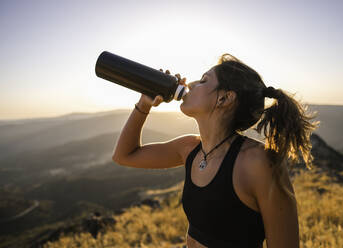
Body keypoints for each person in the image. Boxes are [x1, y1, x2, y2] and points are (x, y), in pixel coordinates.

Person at [112, 54, 318, 248]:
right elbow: (124, 155)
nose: (190, 84)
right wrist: (144, 103)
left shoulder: (257, 162)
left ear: (224, 98)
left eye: (203, 80)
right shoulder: (189, 148)